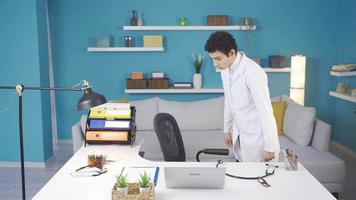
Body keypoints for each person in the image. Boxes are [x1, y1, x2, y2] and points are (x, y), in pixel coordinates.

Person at [204, 31, 280, 162]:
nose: (215, 64)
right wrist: (227, 130)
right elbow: (229, 101)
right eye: (212, 59)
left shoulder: (253, 72)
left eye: (218, 58)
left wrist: (270, 146)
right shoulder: (225, 70)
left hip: (258, 140)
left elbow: (265, 111)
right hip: (240, 136)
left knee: (261, 181)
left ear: (232, 53)